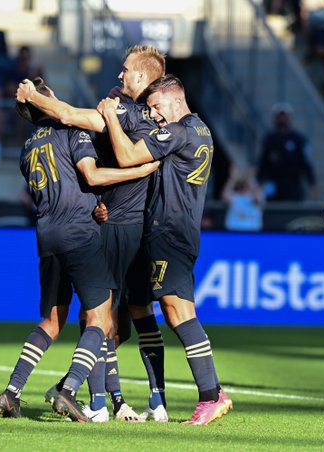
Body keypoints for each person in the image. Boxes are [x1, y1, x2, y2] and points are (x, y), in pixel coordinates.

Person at [0, 78, 159, 422]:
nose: (54, 93)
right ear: (44, 101)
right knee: (100, 317)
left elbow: (62, 185)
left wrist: (95, 204)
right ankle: (68, 391)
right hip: (78, 234)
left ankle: (12, 392)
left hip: (47, 234)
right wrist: (139, 170)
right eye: (48, 93)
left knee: (52, 321)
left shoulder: (28, 148)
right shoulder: (70, 131)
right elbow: (91, 175)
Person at [96, 74, 233, 425]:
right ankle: (203, 395)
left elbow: (127, 157)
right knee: (162, 310)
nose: (155, 115)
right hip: (179, 229)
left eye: (157, 107)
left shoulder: (177, 131)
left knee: (177, 312)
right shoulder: (202, 130)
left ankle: (211, 394)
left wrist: (111, 116)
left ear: (176, 100)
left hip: (169, 231)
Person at [258, 103, 316, 201]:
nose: (282, 119)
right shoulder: (269, 139)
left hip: (293, 184)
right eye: (279, 116)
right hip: (273, 183)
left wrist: (312, 183)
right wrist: (258, 181)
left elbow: (305, 162)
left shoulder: (298, 139)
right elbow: (263, 162)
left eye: (284, 116)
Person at [223, 166, 264, 232]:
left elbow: (258, 198)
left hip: (252, 233)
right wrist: (233, 178)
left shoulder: (253, 196)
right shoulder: (235, 196)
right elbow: (225, 196)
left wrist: (251, 178)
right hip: (233, 232)